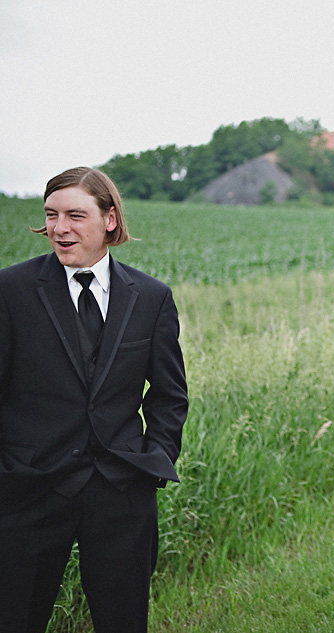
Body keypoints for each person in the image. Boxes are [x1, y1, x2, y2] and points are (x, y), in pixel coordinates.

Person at [0, 167, 188, 633]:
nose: (59, 228)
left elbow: (169, 394)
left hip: (121, 490)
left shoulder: (151, 297)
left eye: (75, 215)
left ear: (109, 219)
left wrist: (154, 460)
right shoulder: (10, 291)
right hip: (28, 488)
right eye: (52, 215)